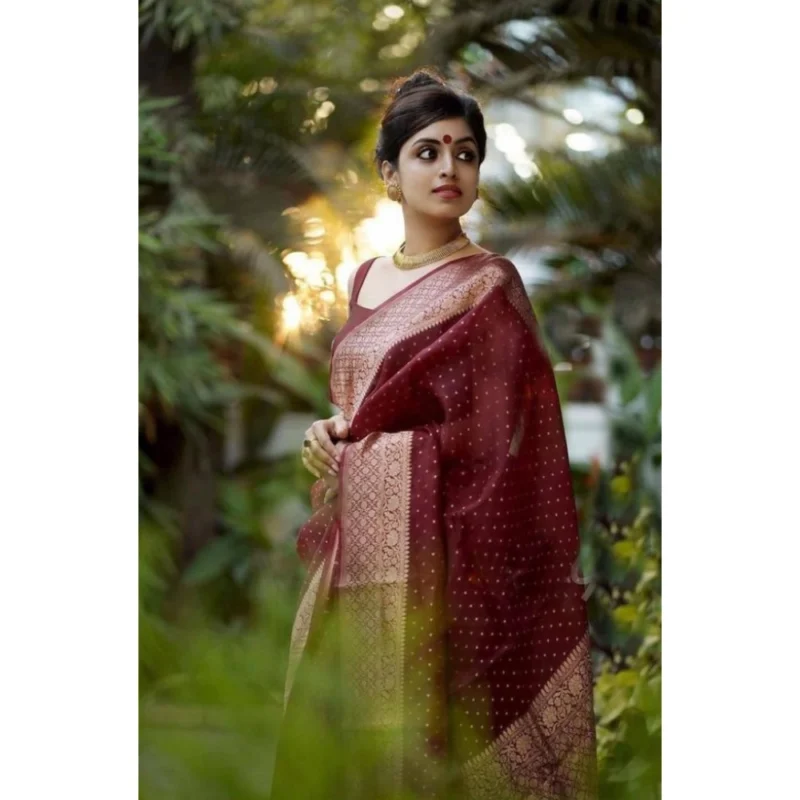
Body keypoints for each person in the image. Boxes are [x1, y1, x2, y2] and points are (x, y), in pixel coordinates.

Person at [270, 68, 597, 800]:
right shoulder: (362, 280)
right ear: (389, 174)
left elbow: (503, 445)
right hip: (354, 559)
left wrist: (371, 455)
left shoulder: (488, 284)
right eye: (428, 152)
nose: (449, 167)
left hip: (446, 566)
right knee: (341, 747)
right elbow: (364, 404)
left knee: (429, 756)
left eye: (465, 153)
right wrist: (328, 434)